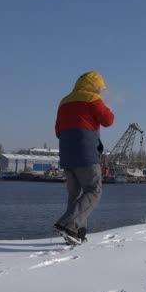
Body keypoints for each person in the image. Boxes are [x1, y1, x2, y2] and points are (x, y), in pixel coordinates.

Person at [53, 70, 114, 245]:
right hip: (86, 154)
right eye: (99, 88)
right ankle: (68, 224)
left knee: (75, 195)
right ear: (94, 86)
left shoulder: (64, 101)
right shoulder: (92, 99)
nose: (101, 92)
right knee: (94, 190)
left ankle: (76, 234)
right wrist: (105, 107)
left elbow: (58, 130)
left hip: (66, 155)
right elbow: (108, 120)